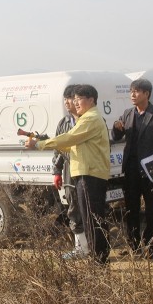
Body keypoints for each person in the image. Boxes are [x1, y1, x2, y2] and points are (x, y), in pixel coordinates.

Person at [25, 84, 111, 265]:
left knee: (92, 218)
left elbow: (69, 138)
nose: (75, 102)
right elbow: (69, 145)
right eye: (75, 99)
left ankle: (99, 259)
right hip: (85, 173)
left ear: (91, 100)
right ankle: (98, 256)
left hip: (90, 175)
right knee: (90, 217)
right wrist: (46, 141)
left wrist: (40, 145)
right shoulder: (85, 119)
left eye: (79, 99)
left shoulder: (91, 119)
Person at [112, 78, 153, 259]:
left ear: (147, 94)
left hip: (151, 170)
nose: (133, 95)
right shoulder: (128, 114)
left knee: (152, 210)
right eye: (131, 91)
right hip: (131, 169)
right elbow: (116, 135)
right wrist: (117, 128)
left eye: (136, 91)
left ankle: (151, 245)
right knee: (131, 209)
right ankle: (134, 246)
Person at [51, 84, 89, 259]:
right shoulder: (64, 122)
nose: (67, 102)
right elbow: (58, 148)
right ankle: (80, 248)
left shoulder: (88, 120)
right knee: (73, 206)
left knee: (89, 207)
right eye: (65, 99)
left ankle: (92, 246)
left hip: (86, 169)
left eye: (71, 98)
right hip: (68, 170)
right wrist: (56, 171)